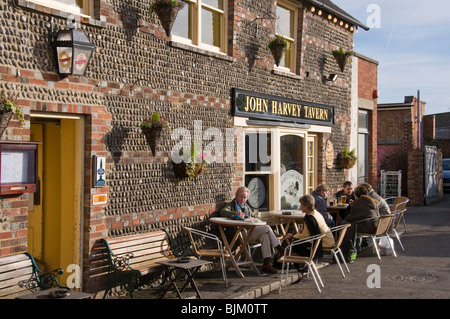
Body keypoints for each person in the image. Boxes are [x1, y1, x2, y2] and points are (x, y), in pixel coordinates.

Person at [219, 186, 284, 274]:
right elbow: (222, 212)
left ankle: (266, 264)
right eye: (240, 196)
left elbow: (254, 216)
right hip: (238, 234)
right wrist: (236, 214)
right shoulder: (231, 205)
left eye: (245, 197)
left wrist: (252, 218)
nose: (242, 199)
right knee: (267, 228)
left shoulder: (247, 208)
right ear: (236, 196)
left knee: (265, 236)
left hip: (248, 233)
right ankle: (281, 250)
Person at [341, 186, 380, 260]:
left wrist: (354, 206)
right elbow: (363, 213)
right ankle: (357, 247)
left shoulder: (359, 202)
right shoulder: (372, 201)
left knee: (344, 224)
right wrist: (354, 205)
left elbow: (351, 217)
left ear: (357, 194)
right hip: (375, 226)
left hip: (367, 226)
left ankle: (345, 247)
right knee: (353, 225)